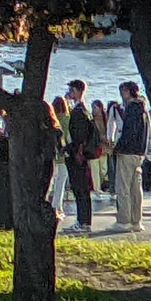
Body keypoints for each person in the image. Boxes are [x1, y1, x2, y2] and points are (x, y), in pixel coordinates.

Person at [112, 80, 150, 233]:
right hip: (139, 153)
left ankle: (124, 220)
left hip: (127, 152)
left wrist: (118, 147)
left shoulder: (131, 108)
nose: (122, 96)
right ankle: (136, 220)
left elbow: (129, 131)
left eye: (123, 92)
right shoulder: (143, 109)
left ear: (128, 92)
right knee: (136, 188)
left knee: (123, 187)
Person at [61, 78, 97, 232]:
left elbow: (79, 136)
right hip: (79, 154)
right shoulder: (84, 110)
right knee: (81, 189)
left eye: (71, 90)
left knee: (80, 188)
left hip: (77, 156)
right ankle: (83, 221)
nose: (69, 93)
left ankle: (83, 222)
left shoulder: (79, 112)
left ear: (78, 91)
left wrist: (74, 150)